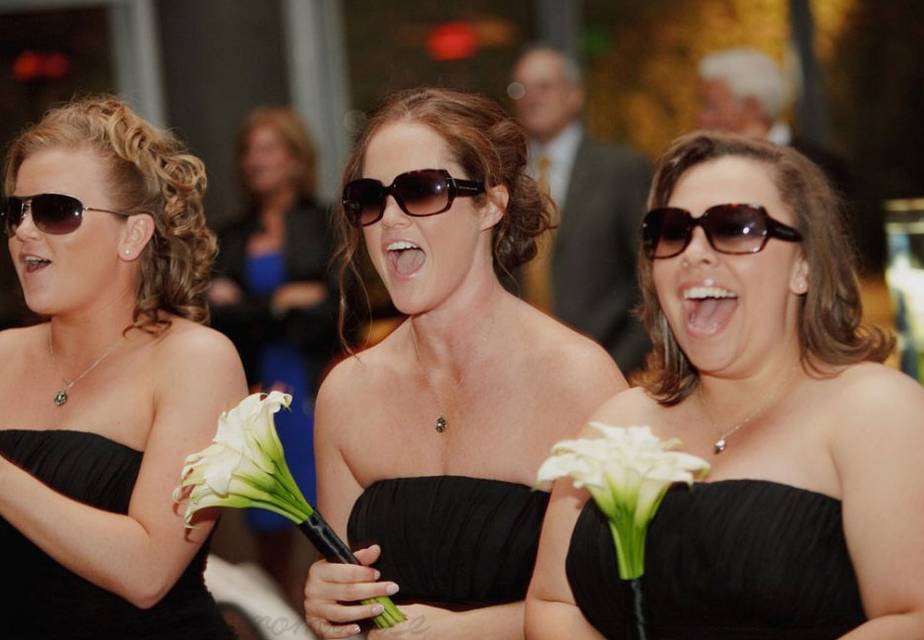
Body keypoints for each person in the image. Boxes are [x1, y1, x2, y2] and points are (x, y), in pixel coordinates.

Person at [525, 131, 924, 639]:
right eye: (671, 230)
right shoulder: (617, 422)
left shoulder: (878, 413)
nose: (696, 252)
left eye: (736, 227)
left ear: (805, 265)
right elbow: (552, 602)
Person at [301, 87, 627, 639]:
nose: (391, 219)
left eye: (422, 190)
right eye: (370, 197)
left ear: (492, 204)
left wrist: (467, 631)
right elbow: (349, 594)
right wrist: (327, 604)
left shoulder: (579, 382)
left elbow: (626, 602)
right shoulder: (347, 392)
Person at [0, 96, 247, 638]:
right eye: (15, 211)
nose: (23, 231)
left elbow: (148, 571)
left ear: (133, 235)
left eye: (56, 211)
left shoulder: (194, 360)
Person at [208, 106, 339, 600]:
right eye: (249, 150)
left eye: (268, 148)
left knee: (325, 509)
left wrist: (249, 305)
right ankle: (280, 620)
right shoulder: (230, 236)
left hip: (313, 382)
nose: (255, 159)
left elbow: (337, 309)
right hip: (254, 388)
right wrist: (285, 300)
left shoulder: (325, 223)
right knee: (266, 520)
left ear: (295, 156)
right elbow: (217, 318)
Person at [510, 45, 652, 375]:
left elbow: (649, 279)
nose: (532, 97)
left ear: (574, 95)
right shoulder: (504, 177)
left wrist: (616, 364)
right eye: (521, 88)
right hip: (522, 372)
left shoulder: (621, 169)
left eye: (545, 86)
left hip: (607, 365)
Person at [697, 46, 850, 195]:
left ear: (752, 108)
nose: (701, 117)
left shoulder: (824, 171)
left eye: (711, 106)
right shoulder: (703, 167)